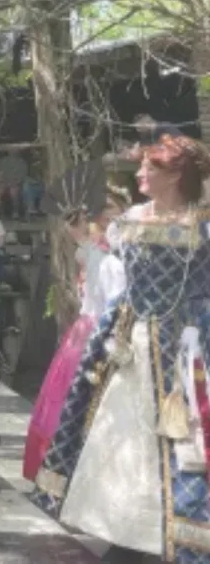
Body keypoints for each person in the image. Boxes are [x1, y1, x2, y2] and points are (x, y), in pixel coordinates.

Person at [32, 133, 210, 563]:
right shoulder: (128, 220)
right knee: (119, 436)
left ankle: (175, 533)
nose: (142, 174)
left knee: (182, 442)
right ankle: (125, 527)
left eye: (152, 167)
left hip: (187, 346)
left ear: (177, 174)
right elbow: (118, 280)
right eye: (142, 166)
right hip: (131, 344)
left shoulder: (202, 224)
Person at [21, 201, 126, 482]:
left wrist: (80, 232)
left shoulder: (96, 255)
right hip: (95, 331)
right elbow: (113, 307)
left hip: (83, 331)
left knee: (70, 397)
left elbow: (82, 247)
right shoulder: (107, 261)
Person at [0, 149, 28, 219]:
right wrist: (3, 182)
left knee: (13, 191)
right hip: (3, 183)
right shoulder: (1, 161)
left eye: (14, 149)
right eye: (10, 149)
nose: (12, 151)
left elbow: (23, 176)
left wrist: (14, 182)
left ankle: (15, 212)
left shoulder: (22, 162)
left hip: (16, 183)